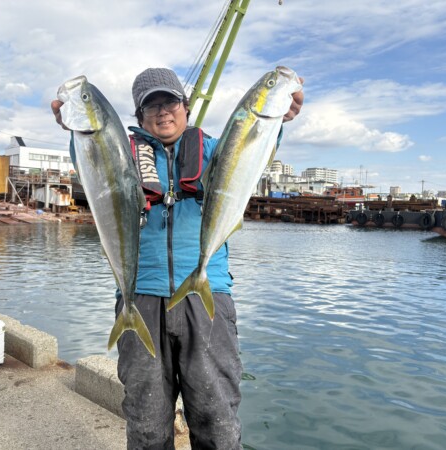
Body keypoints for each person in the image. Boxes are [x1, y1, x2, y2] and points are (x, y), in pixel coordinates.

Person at [52, 68, 303, 449]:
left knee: (216, 416)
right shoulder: (123, 151)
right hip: (141, 297)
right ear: (138, 117)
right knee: (146, 419)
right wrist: (74, 123)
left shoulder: (211, 148)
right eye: (151, 105)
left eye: (169, 101)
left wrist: (278, 120)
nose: (162, 112)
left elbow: (254, 149)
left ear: (185, 108)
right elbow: (90, 156)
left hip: (208, 299)